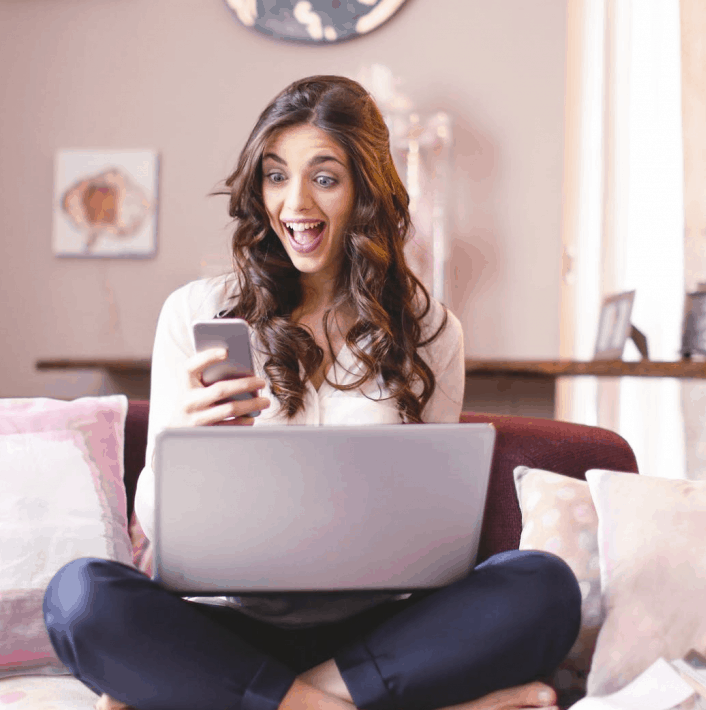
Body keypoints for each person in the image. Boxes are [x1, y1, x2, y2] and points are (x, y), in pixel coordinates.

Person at [43, 75, 581, 710]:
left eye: (323, 177)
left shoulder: (429, 327)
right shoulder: (196, 312)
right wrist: (181, 444)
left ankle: (276, 699)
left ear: (365, 191)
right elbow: (161, 542)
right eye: (275, 176)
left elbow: (440, 544)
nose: (293, 203)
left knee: (544, 586)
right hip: (225, 626)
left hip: (376, 633)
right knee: (78, 598)